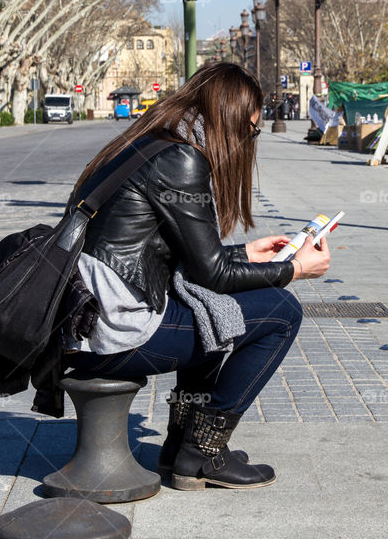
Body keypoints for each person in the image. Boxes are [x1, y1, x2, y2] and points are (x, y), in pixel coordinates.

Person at [63, 62, 331, 491]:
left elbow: (190, 261)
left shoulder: (148, 143)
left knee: (212, 309)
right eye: (252, 130)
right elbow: (212, 274)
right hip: (111, 332)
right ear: (232, 118)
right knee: (281, 313)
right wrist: (296, 269)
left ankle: (180, 449)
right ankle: (204, 451)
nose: (250, 140)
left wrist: (247, 251)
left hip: (85, 315)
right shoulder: (183, 158)